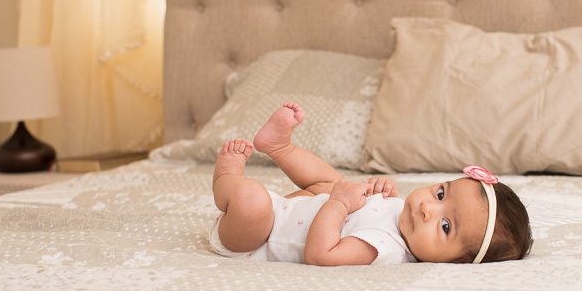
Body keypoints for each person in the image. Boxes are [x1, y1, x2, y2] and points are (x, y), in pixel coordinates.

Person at [210, 102, 533, 265]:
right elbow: (361, 211)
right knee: (332, 182)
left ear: (453, 263)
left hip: (255, 237)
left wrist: (340, 202)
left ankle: (227, 179)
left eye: (446, 226)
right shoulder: (405, 220)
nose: (427, 210)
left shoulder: (386, 249)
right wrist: (374, 194)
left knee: (253, 201)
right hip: (291, 209)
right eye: (439, 193)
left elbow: (321, 254)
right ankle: (279, 147)